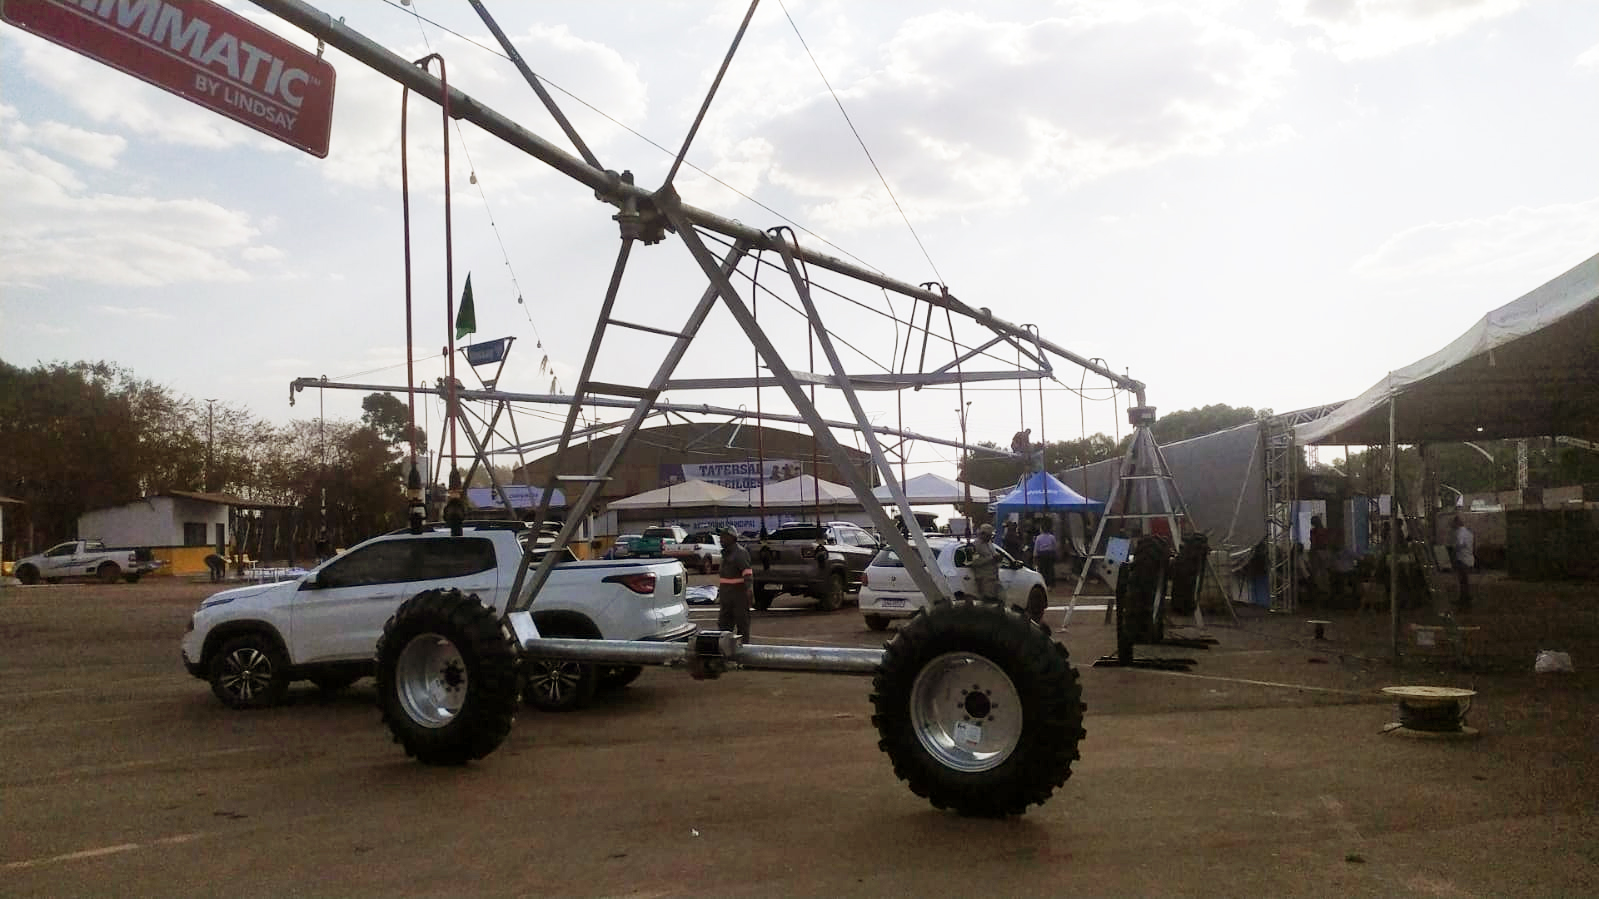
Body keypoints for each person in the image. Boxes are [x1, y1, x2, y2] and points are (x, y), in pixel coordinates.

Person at [715, 525, 754, 642]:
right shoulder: (725, 554)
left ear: (732, 537)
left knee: (742, 627)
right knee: (723, 628)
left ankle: (744, 653)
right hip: (726, 598)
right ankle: (725, 654)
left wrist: (749, 591)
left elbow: (747, 574)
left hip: (739, 598)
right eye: (720, 536)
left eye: (724, 536)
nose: (721, 539)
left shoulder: (740, 553)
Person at [966, 522, 1002, 603]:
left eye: (990, 535)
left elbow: (994, 554)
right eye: (988, 535)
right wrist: (991, 558)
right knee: (987, 603)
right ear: (982, 534)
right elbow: (974, 562)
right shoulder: (975, 545)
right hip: (984, 580)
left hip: (993, 578)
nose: (989, 537)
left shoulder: (989, 543)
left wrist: (998, 557)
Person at [1451, 515, 1475, 612]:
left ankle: (1464, 600)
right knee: (1465, 581)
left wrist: (1453, 550)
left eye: (1454, 523)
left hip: (1462, 559)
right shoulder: (1469, 533)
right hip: (1468, 558)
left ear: (1457, 523)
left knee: (1462, 581)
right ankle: (1466, 597)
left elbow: (1460, 544)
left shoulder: (1460, 532)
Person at [1033, 520, 1058, 591]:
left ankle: (1043, 584)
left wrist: (1035, 557)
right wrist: (1055, 555)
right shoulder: (1052, 537)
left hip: (1041, 555)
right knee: (1050, 570)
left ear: (1042, 529)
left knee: (1043, 570)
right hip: (1050, 555)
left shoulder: (1038, 537)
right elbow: (1054, 547)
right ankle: (1050, 585)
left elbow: (1036, 548)